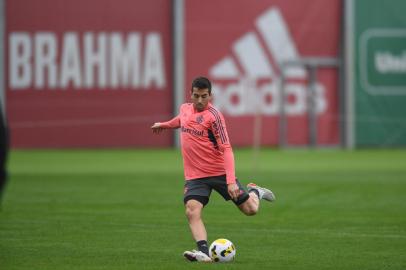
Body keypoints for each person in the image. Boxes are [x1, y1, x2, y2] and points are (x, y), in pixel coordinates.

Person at [151, 76, 275, 262]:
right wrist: (165, 125)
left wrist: (230, 181)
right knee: (192, 210)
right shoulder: (185, 108)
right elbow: (182, 120)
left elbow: (226, 149)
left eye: (204, 96)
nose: (200, 101)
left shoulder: (214, 117)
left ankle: (255, 192)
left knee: (250, 210)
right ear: (190, 94)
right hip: (195, 176)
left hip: (219, 173)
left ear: (211, 95)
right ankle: (203, 251)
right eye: (196, 96)